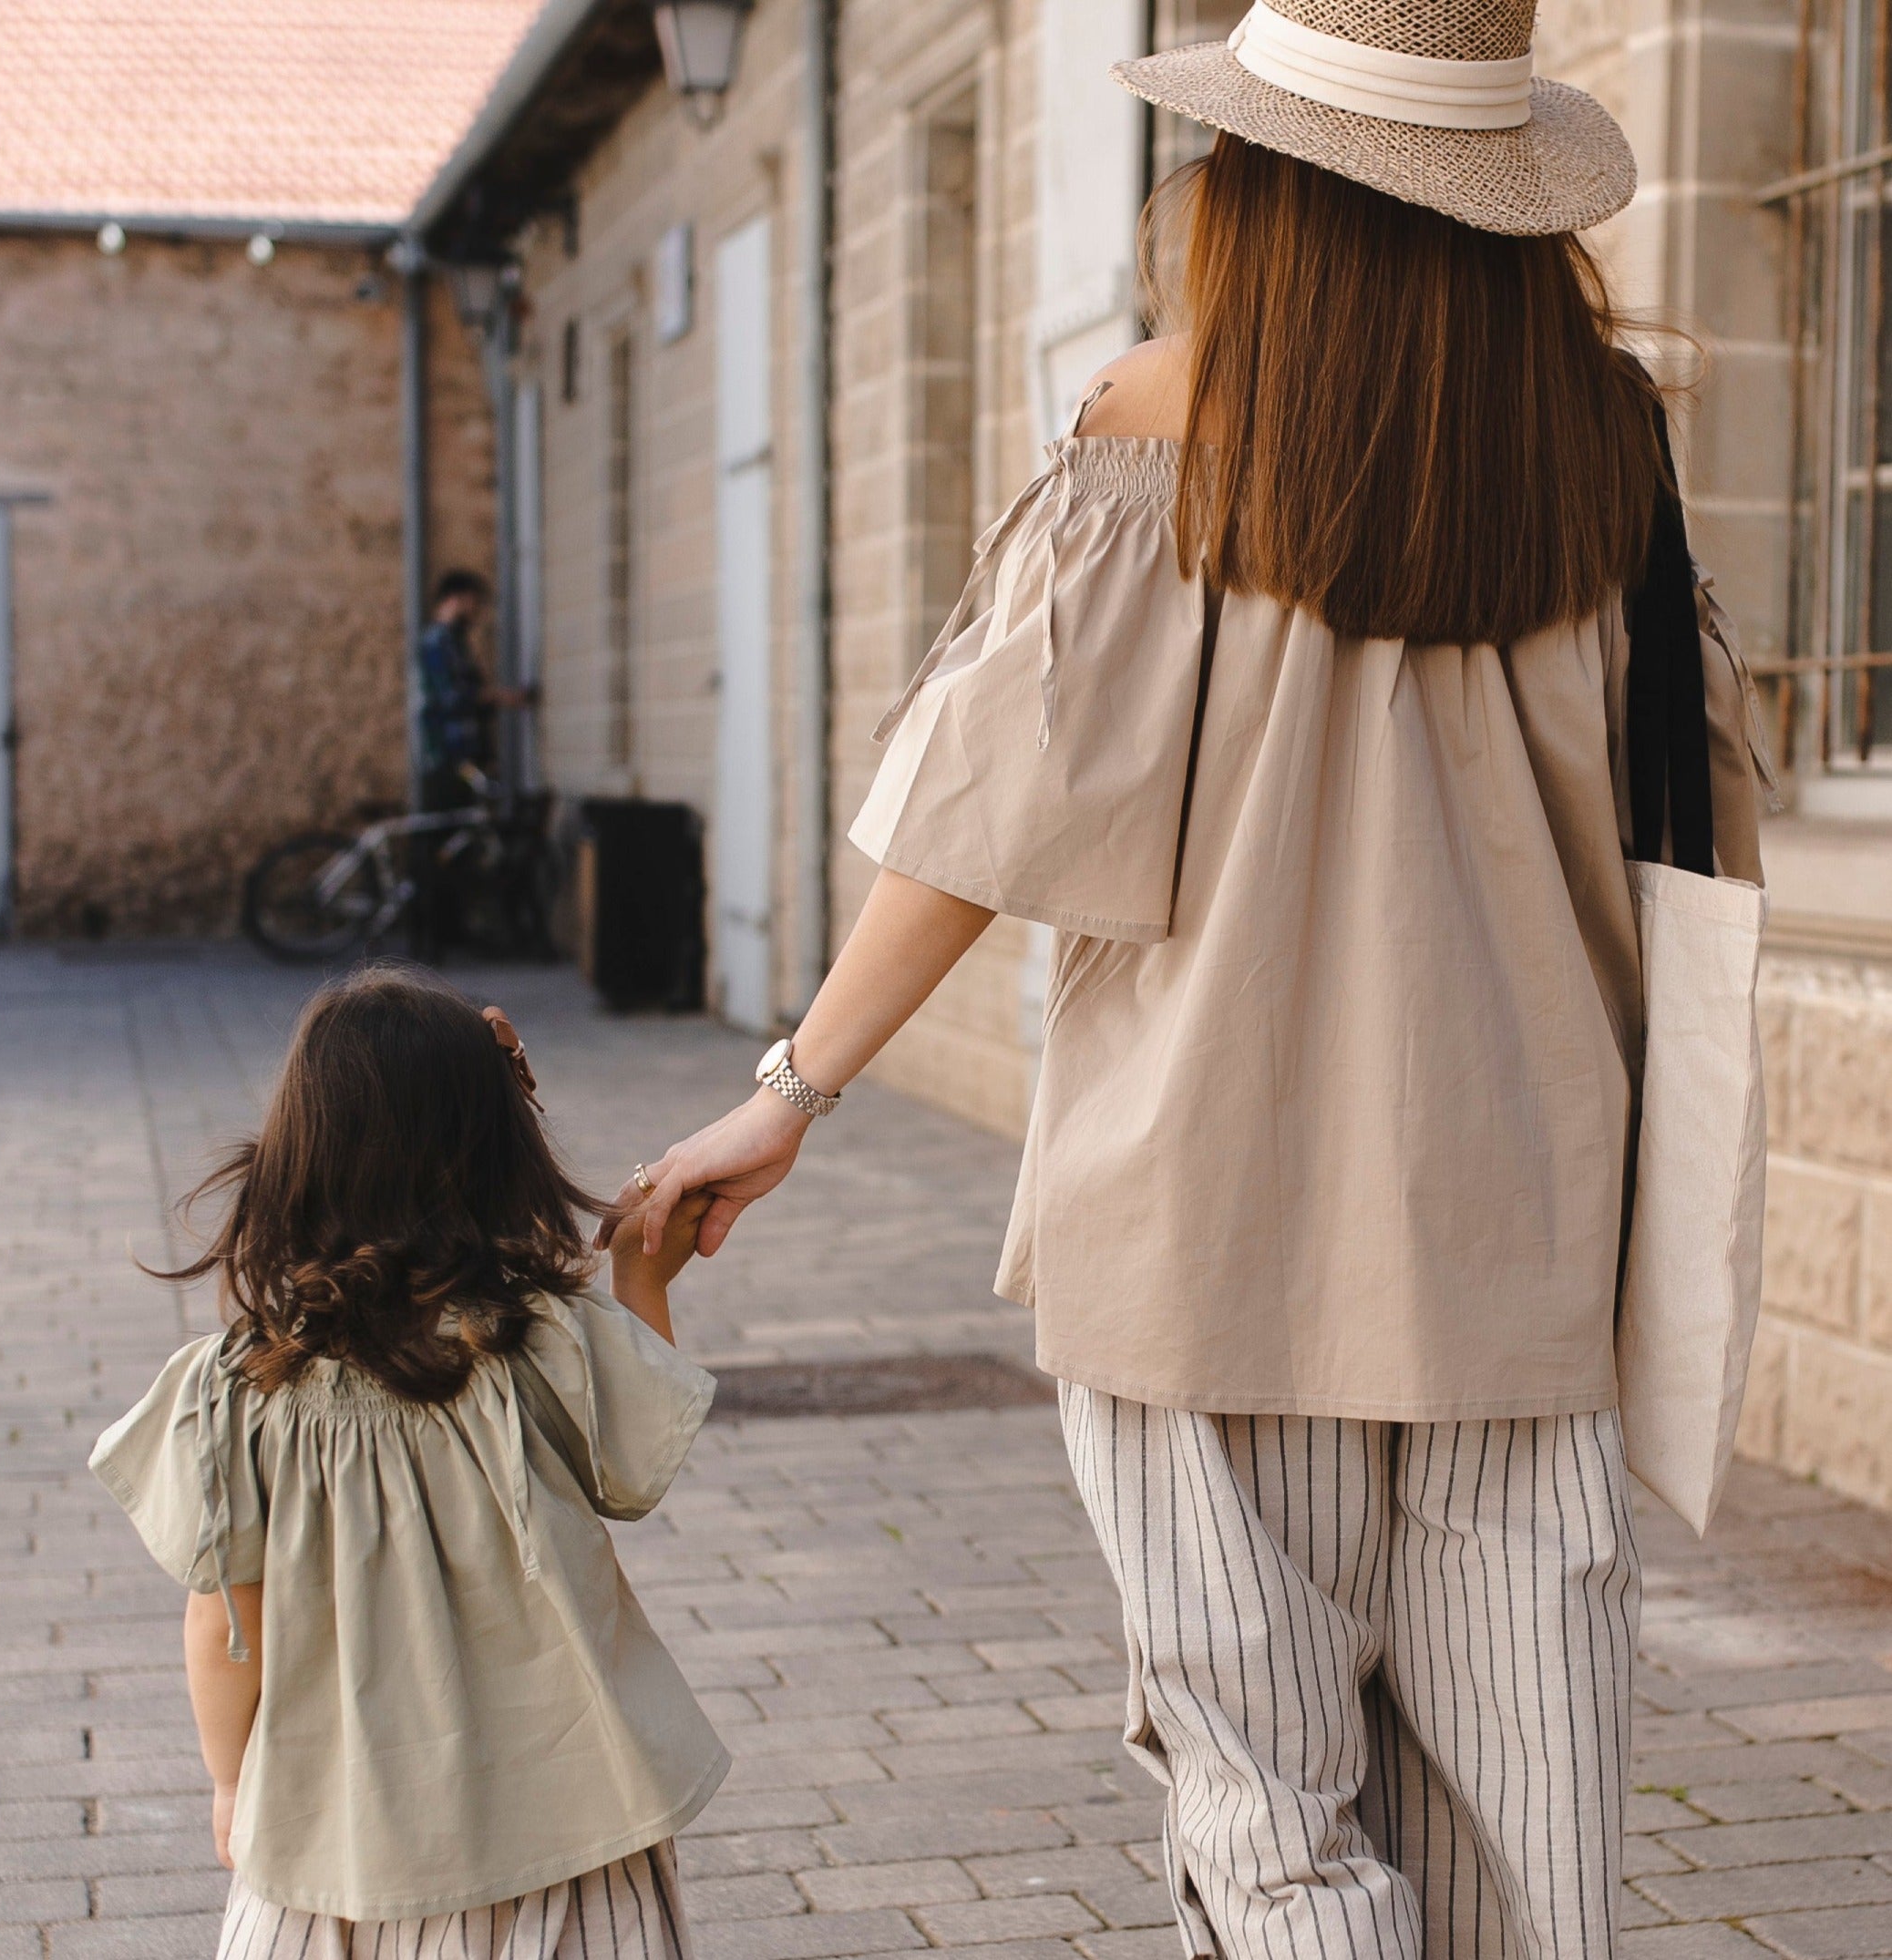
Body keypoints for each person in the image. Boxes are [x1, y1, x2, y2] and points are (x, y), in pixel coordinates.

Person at [621, 5, 1775, 1956]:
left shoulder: (1152, 425)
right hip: (1521, 1242)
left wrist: (795, 1084)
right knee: (1528, 1824)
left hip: (1198, 1236)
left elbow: (982, 821)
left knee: (1265, 1809)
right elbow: (1703, 831)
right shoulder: (1609, 452)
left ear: (1260, 187)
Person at [89, 965, 726, 1960]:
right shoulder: (541, 1335)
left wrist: (228, 1780)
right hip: (566, 1824)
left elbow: (224, 1618)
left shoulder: (234, 1384)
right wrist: (641, 1274)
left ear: (296, 1157)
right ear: (497, 1154)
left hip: (334, 1844)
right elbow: (635, 1466)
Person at [417, 569, 535, 809]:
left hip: (463, 756)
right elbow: (450, 697)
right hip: (448, 757)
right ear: (455, 599)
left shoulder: (454, 641)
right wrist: (500, 697)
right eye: (474, 602)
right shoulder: (437, 641)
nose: (476, 611)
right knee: (449, 827)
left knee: (469, 823)